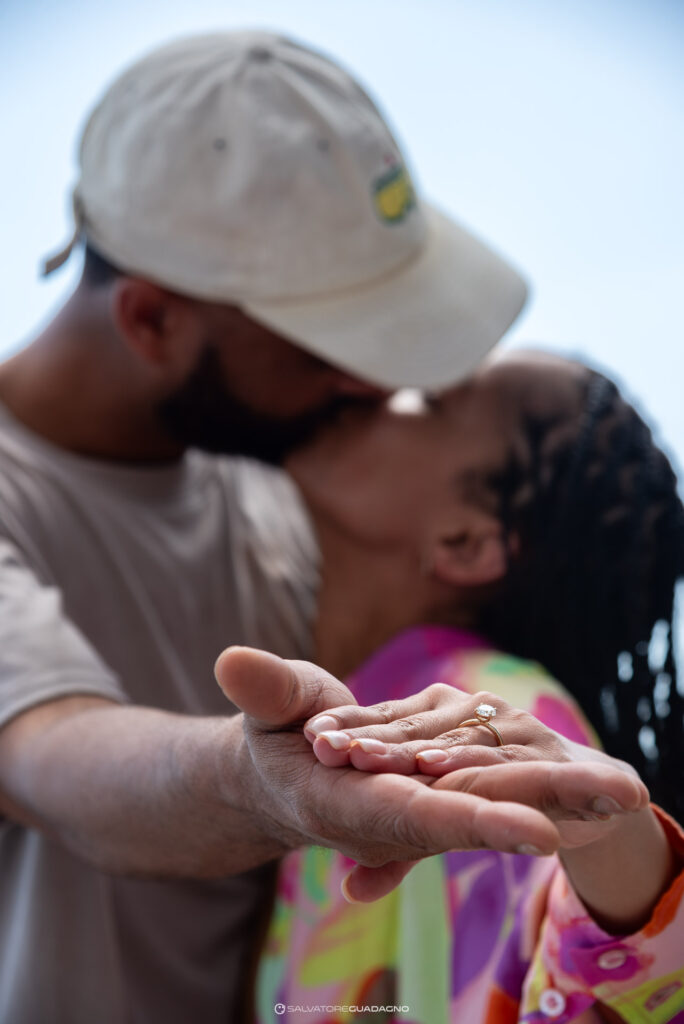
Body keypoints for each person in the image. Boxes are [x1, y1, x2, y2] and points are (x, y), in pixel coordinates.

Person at [0, 30, 620, 1024]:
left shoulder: (300, 505)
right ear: (153, 320)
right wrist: (258, 782)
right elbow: (51, 754)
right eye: (335, 346)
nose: (378, 384)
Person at [256, 351, 684, 1023]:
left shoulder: (481, 699)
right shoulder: (366, 688)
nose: (373, 382)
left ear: (465, 543)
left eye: (429, 398)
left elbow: (578, 967)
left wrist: (619, 843)